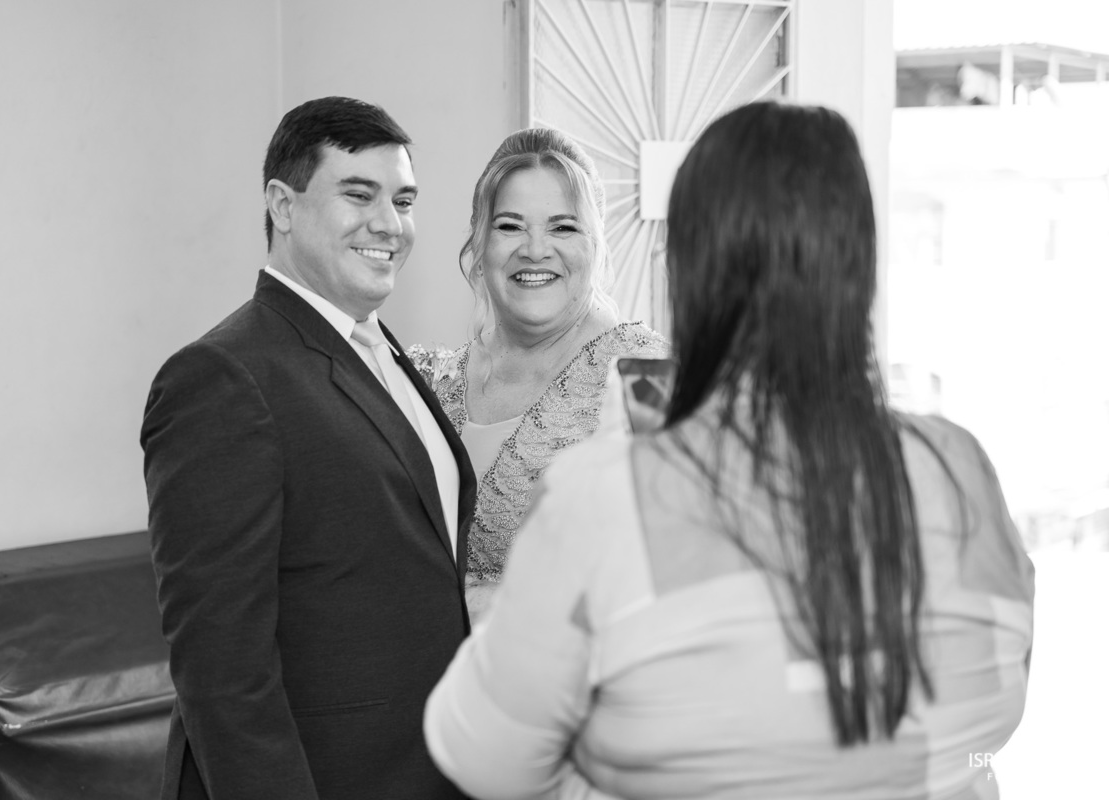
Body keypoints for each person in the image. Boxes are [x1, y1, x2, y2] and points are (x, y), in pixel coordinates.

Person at [424, 102, 1035, 799]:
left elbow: (482, 755)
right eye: (511, 225)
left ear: (683, 270)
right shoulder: (958, 466)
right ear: (862, 263)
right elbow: (993, 707)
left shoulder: (609, 488)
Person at [141, 96, 476, 800]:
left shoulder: (381, 350)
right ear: (282, 206)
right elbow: (221, 671)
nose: (389, 224)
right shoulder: (223, 376)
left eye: (404, 200)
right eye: (359, 194)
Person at [409, 128, 667, 618]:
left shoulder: (649, 379)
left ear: (595, 243)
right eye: (509, 226)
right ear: (480, 242)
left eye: (563, 227)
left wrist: (495, 605)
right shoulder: (428, 382)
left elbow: (680, 580)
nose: (534, 249)